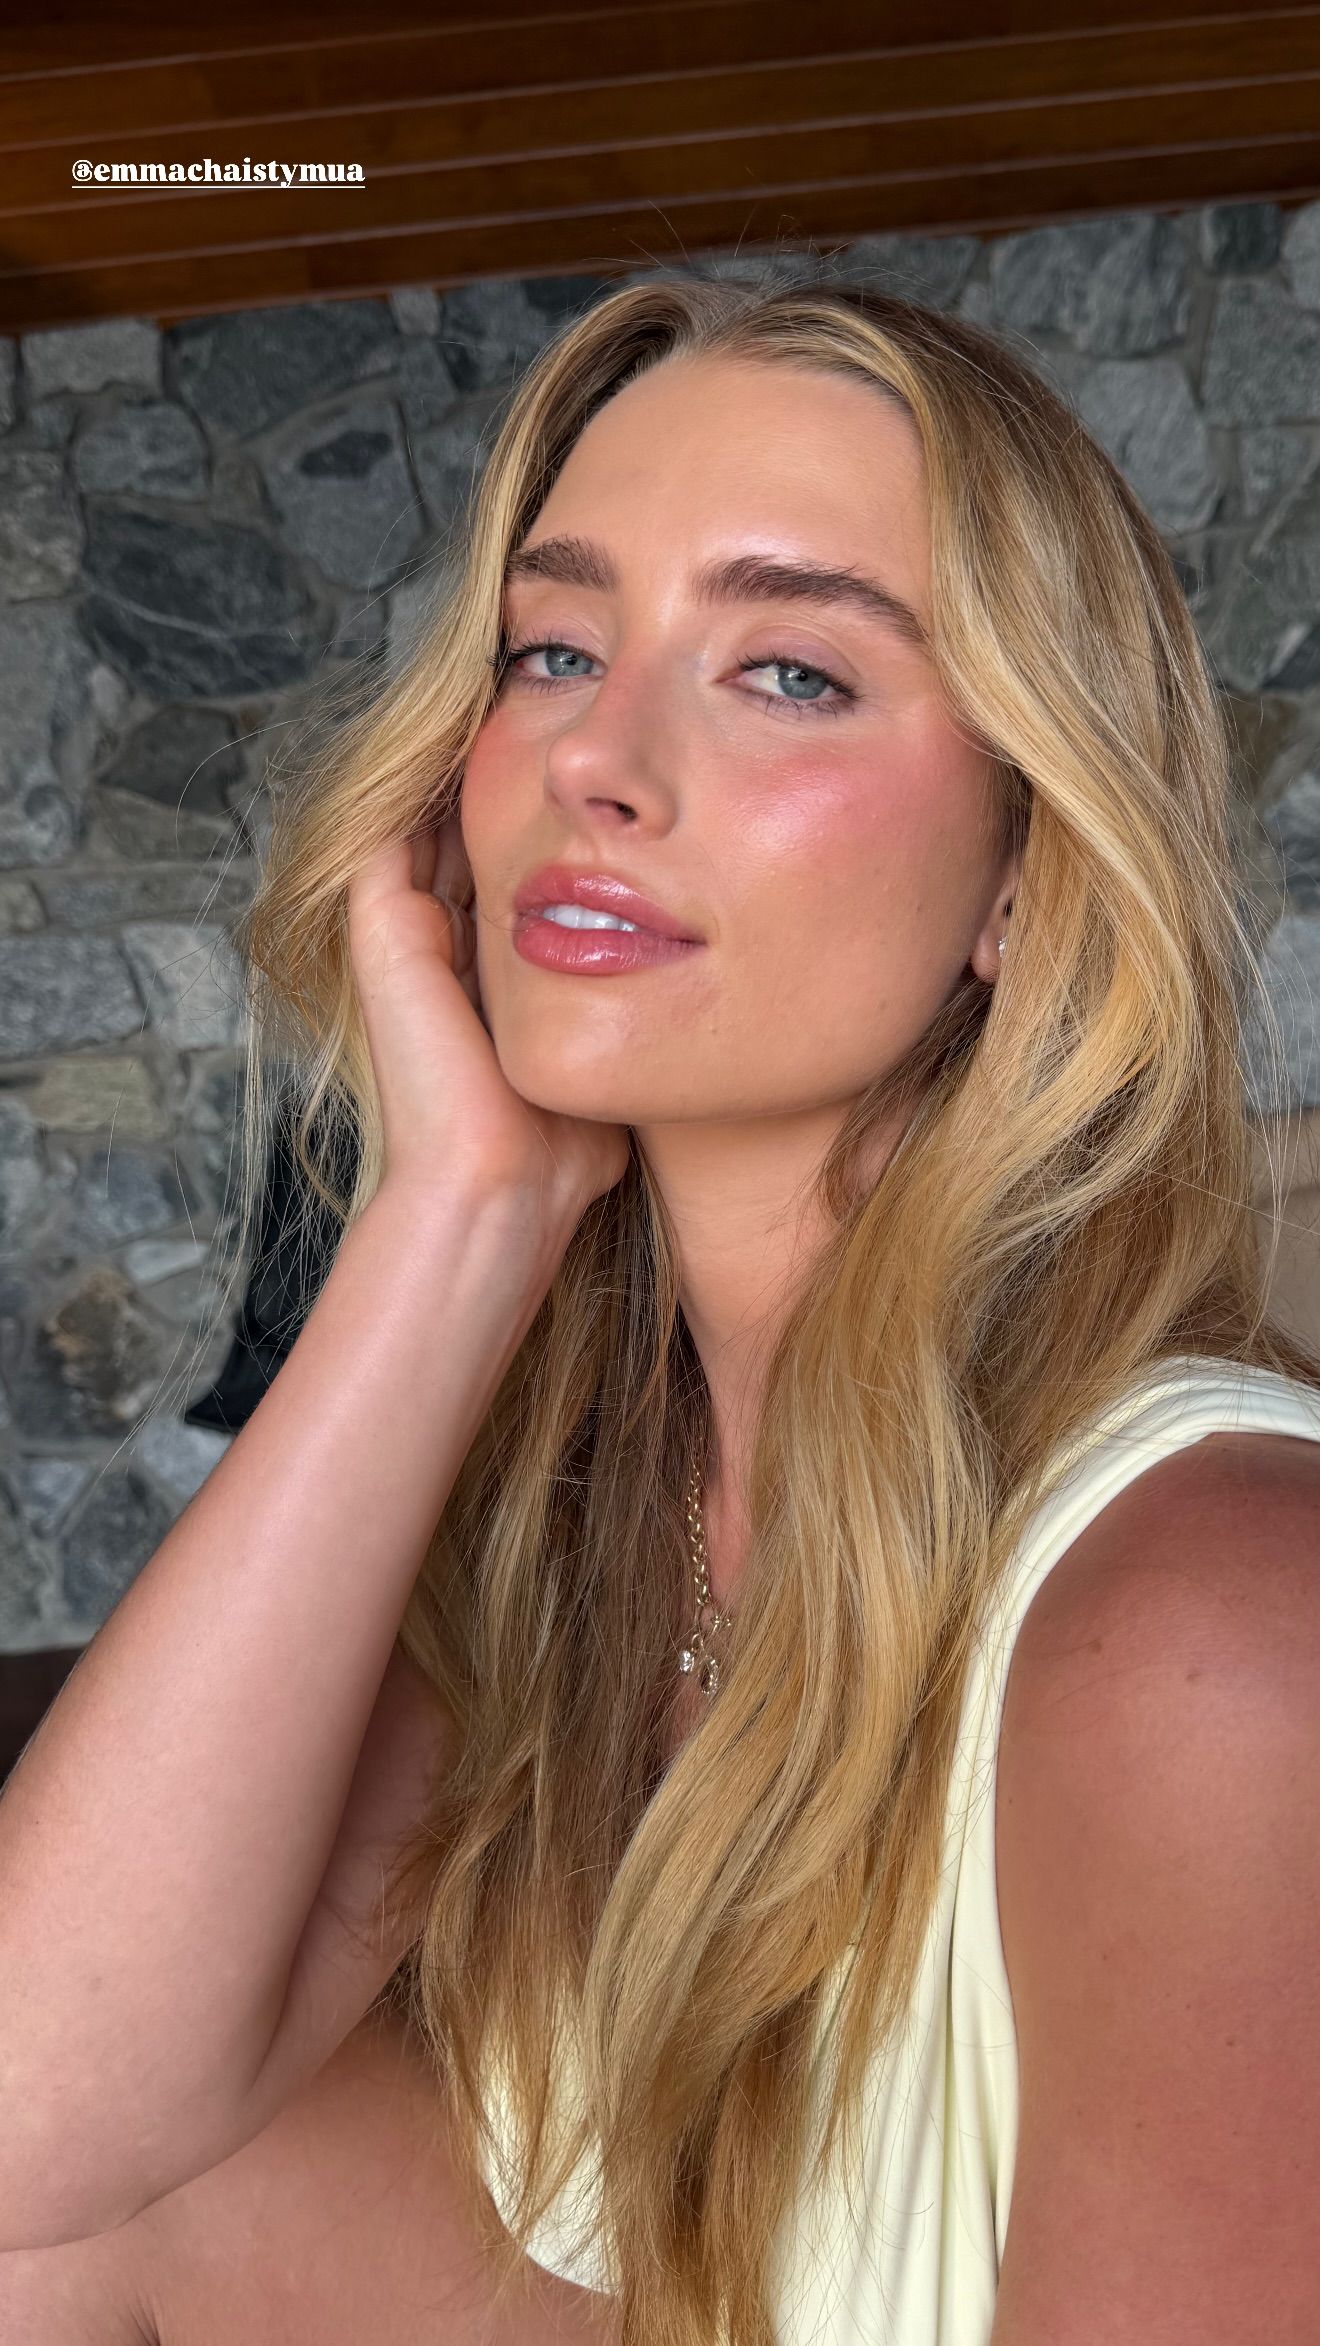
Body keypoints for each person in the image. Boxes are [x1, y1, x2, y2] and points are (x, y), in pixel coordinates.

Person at [3, 267, 1320, 2346]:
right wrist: (456, 1215)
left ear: (1023, 869)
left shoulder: (1214, 1641)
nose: (597, 762)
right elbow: (35, 2125)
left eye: (790, 671)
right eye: (553, 647)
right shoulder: (581, 1481)